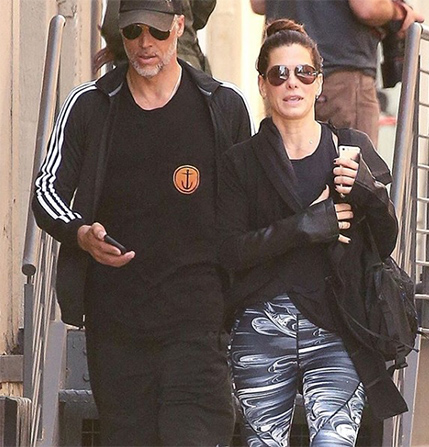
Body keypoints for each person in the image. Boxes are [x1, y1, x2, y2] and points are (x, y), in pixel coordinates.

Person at [32, 0, 252, 445]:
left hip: (198, 323)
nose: (145, 43)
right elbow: (46, 188)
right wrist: (80, 233)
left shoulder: (222, 105)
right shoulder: (91, 103)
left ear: (179, 26)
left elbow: (247, 207)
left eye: (156, 31)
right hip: (117, 327)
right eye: (132, 32)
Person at [217, 19, 407, 446]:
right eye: (279, 74)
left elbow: (386, 241)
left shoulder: (350, 148)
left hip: (337, 327)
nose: (293, 83)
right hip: (261, 327)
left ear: (319, 82)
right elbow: (228, 251)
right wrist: (304, 226)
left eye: (304, 72)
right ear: (263, 85)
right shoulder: (240, 162)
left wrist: (369, 191)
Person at [250, 0, 424, 146]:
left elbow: (258, 4)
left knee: (285, 168)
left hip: (281, 76)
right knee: (354, 170)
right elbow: (367, 8)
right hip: (342, 75)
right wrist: (398, 12)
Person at [94, 0, 216, 74]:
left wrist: (118, 47)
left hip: (140, 67)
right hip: (187, 59)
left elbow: (113, 26)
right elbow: (202, 12)